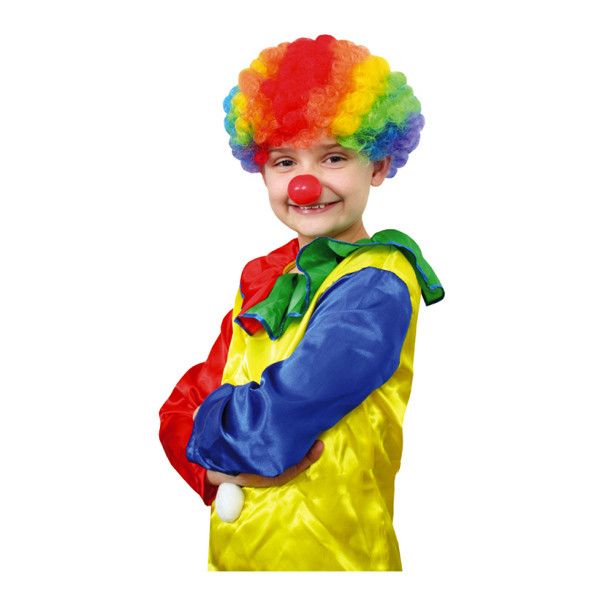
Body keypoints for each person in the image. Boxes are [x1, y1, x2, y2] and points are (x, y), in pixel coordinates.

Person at [158, 34, 445, 571]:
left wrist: (213, 423)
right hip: (235, 563)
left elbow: (276, 424)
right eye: (285, 161)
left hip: (334, 563)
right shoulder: (264, 277)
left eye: (333, 157)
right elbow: (180, 406)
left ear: (378, 165)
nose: (305, 185)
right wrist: (216, 467)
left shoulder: (377, 281)